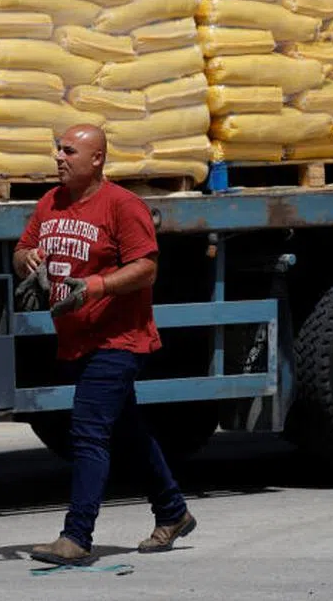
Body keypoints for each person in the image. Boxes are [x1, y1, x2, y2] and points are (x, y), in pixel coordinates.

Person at [13, 124, 196, 567]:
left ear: (96, 159)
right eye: (58, 149)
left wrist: (94, 286)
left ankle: (77, 536)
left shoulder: (121, 205)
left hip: (119, 339)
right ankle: (173, 512)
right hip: (77, 340)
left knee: (88, 430)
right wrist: (29, 263)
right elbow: (21, 250)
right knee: (127, 431)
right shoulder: (50, 203)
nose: (59, 157)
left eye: (69, 151)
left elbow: (145, 269)